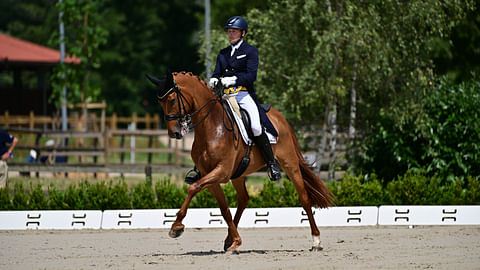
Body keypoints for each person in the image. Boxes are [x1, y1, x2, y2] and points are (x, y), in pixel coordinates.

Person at [185, 15, 282, 184]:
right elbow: (217, 72)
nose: (231, 35)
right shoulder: (223, 53)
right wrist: (214, 78)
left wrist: (235, 79)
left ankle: (271, 164)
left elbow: (251, 75)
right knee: (207, 122)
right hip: (224, 96)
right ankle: (199, 167)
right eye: (229, 32)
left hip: (243, 95)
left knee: (255, 126)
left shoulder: (250, 51)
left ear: (242, 33)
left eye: (234, 32)